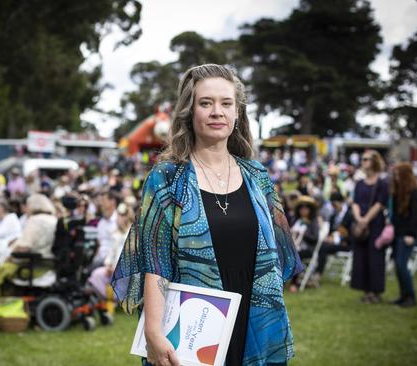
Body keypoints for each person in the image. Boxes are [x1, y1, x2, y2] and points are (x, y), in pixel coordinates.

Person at [111, 64, 302, 366]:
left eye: (226, 103)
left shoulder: (258, 176)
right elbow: (155, 262)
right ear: (189, 111)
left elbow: (277, 255)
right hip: (193, 329)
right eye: (206, 103)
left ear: (237, 113)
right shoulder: (167, 179)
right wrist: (153, 331)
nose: (217, 111)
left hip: (255, 320)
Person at [350, 150, 389, 304]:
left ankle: (376, 291)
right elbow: (355, 202)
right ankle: (366, 291)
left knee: (375, 258)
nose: (363, 162)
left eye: (366, 159)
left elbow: (380, 204)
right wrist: (359, 219)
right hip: (361, 224)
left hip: (376, 224)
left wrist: (365, 220)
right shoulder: (359, 183)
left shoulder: (382, 183)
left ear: (374, 162)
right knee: (361, 258)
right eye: (362, 159)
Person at [389, 162, 417, 308]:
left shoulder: (415, 193)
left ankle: (411, 297)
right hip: (398, 234)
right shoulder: (398, 194)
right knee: (398, 265)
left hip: (408, 236)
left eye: (398, 175)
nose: (395, 178)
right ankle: (403, 295)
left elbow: (415, 217)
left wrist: (411, 235)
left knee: (402, 265)